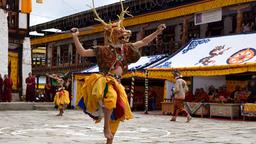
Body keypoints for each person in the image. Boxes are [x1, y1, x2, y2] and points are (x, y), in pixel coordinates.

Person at [71, 1, 166, 143]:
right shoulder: (102, 49)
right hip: (105, 80)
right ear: (112, 35)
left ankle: (109, 140)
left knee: (118, 113)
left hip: (118, 82)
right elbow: (83, 52)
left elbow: (144, 41)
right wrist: (75, 37)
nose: (123, 35)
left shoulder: (127, 48)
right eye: (119, 33)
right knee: (111, 98)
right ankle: (105, 127)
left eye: (123, 33)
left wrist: (157, 32)